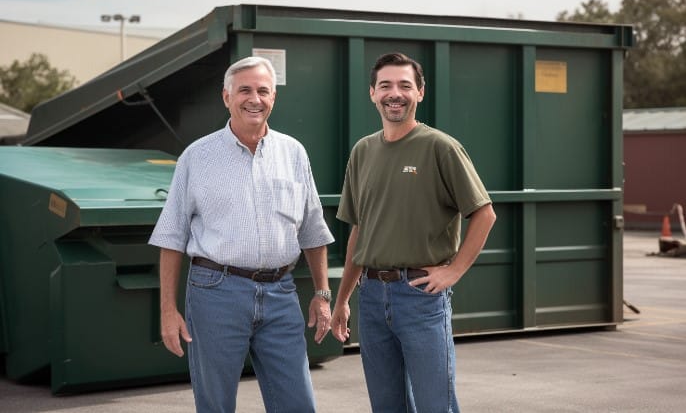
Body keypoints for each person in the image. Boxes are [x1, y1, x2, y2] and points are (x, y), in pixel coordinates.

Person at [149, 56, 335, 413]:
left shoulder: (293, 153)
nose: (255, 99)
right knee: (216, 404)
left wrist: (322, 294)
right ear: (226, 97)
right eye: (244, 90)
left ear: (274, 98)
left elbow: (313, 229)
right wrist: (167, 310)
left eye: (263, 91)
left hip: (281, 294)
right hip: (216, 293)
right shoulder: (197, 157)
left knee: (298, 404)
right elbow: (171, 235)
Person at [331, 52, 496, 412]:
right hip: (371, 297)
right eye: (386, 85)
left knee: (436, 404)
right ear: (372, 93)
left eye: (405, 85)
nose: (396, 93)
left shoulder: (441, 147)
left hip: (420, 297)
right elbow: (360, 231)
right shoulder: (362, 151)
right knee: (386, 405)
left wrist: (453, 272)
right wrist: (343, 299)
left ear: (420, 92)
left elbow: (484, 214)